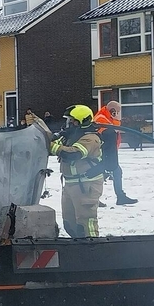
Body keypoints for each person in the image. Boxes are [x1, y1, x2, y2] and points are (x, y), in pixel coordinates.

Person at [49, 105, 104, 238]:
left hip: (86, 185)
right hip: (70, 184)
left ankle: (92, 248)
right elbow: (55, 143)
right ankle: (77, 247)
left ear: (81, 121)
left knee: (86, 222)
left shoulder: (90, 138)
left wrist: (51, 146)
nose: (68, 123)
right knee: (70, 223)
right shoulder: (71, 136)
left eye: (72, 120)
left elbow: (73, 154)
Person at [94, 101, 137, 205]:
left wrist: (115, 118)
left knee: (113, 172)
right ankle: (94, 198)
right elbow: (112, 132)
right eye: (117, 111)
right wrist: (116, 118)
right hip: (103, 152)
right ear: (112, 110)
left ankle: (119, 197)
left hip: (108, 152)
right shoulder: (101, 118)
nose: (118, 113)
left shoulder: (107, 117)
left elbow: (115, 129)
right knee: (99, 174)